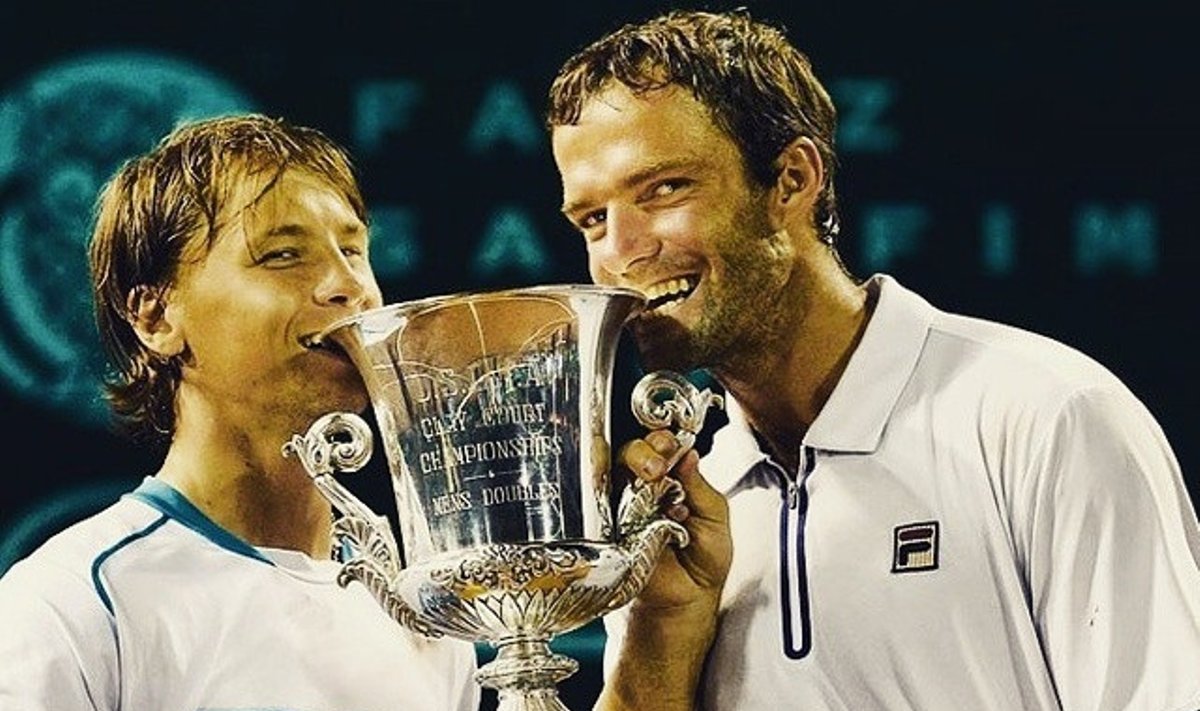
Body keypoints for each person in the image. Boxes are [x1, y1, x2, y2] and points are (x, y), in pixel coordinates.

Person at [548, 9, 1200, 710]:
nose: (621, 250)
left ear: (791, 180)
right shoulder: (676, 522)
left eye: (665, 188)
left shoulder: (1044, 417)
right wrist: (660, 633)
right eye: (592, 219)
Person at [0, 114, 479, 710]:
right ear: (155, 318)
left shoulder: (424, 616)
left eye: (354, 250)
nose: (348, 285)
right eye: (282, 254)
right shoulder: (71, 605)